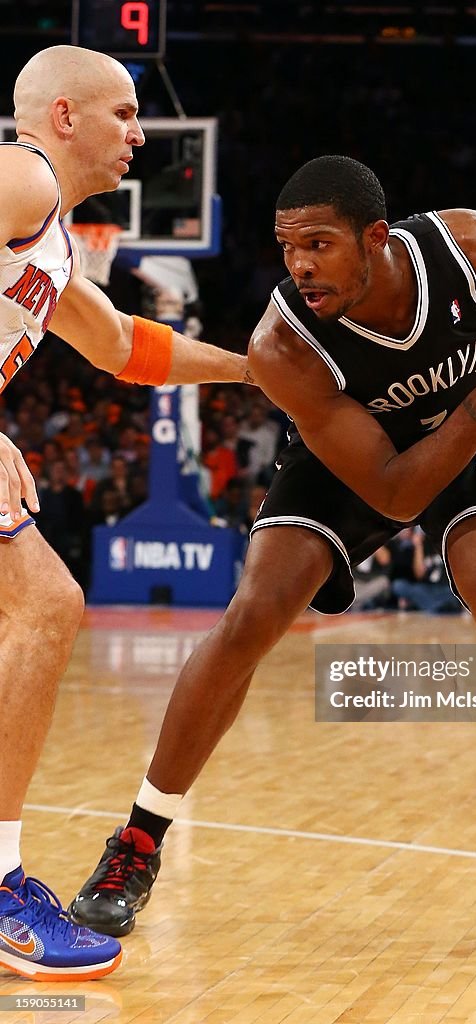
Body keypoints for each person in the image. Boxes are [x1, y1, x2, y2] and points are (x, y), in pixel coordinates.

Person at [70, 156, 476, 954]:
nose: (300, 264)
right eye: (287, 248)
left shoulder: (475, 252)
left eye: (319, 244)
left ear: (375, 237)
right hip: (363, 458)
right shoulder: (283, 349)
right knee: (251, 616)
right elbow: (394, 492)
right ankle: (135, 845)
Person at [0, 45, 249, 981]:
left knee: (40, 608)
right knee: (48, 604)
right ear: (64, 117)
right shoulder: (19, 174)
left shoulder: (51, 239)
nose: (142, 133)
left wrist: (253, 371)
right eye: (123, 114)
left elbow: (119, 347)